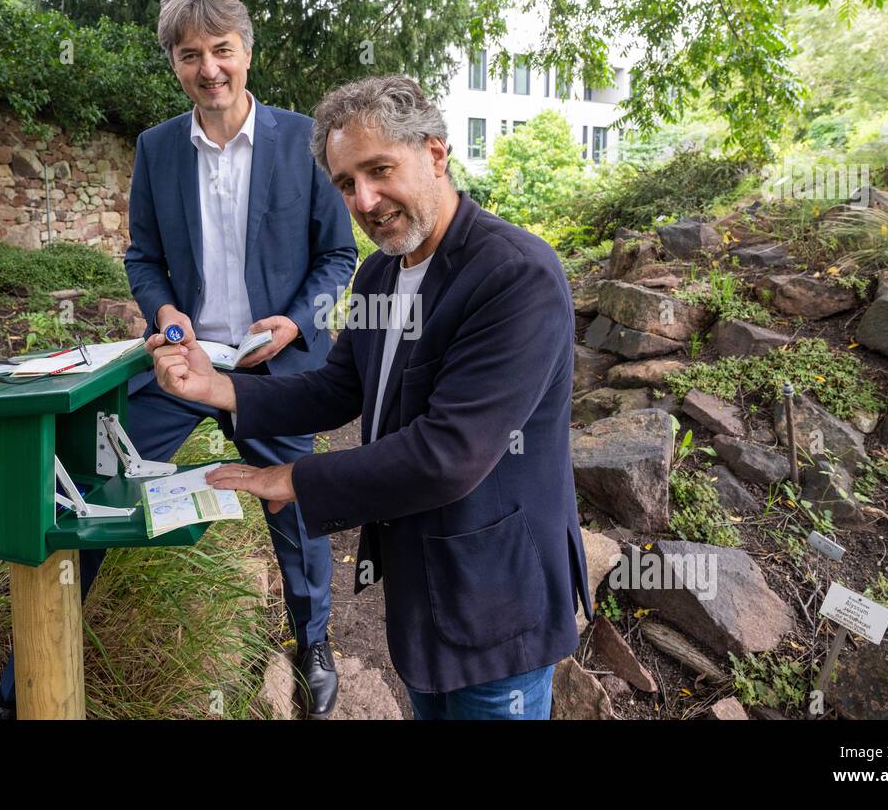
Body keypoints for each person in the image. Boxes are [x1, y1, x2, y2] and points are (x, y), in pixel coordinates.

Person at [148, 75, 592, 720]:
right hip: (422, 588)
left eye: (380, 170)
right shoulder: (382, 270)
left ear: (436, 155)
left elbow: (448, 454)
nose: (365, 199)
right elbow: (341, 386)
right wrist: (217, 387)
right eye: (346, 183)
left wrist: (292, 477)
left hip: (499, 601)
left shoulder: (514, 275)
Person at [0, 0, 356, 720]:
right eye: (191, 56)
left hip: (276, 366)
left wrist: (295, 324)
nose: (210, 69)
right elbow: (142, 256)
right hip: (183, 362)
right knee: (85, 488)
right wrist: (165, 313)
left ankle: (312, 640)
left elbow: (338, 257)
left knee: (297, 506)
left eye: (222, 50)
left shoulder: (303, 139)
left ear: (246, 51)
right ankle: (24, 677)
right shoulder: (156, 149)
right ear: (175, 64)